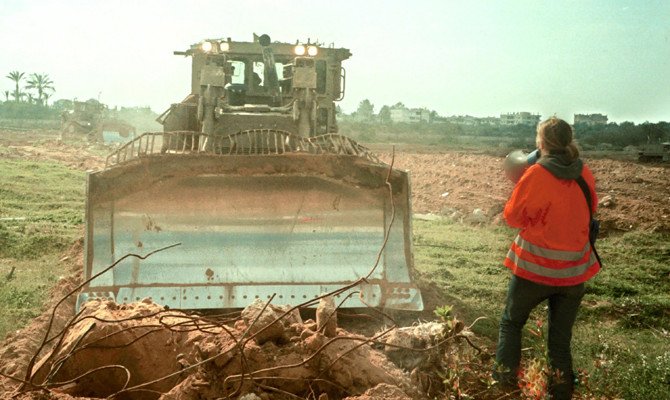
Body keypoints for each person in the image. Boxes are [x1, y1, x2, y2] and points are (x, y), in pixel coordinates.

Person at [494, 117, 600, 399]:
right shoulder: (583, 173)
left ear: (541, 142)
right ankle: (561, 394)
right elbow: (592, 209)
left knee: (511, 323)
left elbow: (512, 217)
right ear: (569, 141)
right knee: (560, 342)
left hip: (535, 271)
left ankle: (503, 388)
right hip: (574, 274)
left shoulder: (537, 174)